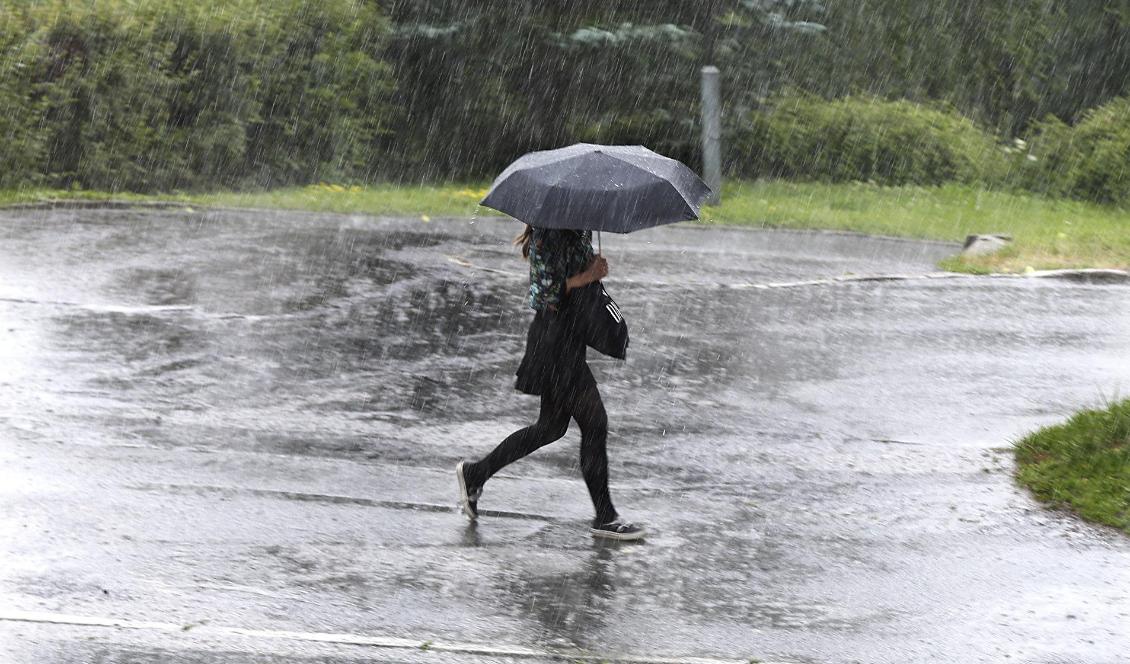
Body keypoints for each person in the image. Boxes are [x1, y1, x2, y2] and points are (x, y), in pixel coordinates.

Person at [456, 225, 645, 541]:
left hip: (569, 339)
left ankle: (476, 474)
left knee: (551, 427)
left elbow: (572, 279)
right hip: (554, 339)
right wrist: (588, 275)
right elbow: (544, 294)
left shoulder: (577, 226)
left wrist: (592, 266)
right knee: (595, 422)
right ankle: (606, 516)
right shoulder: (548, 231)